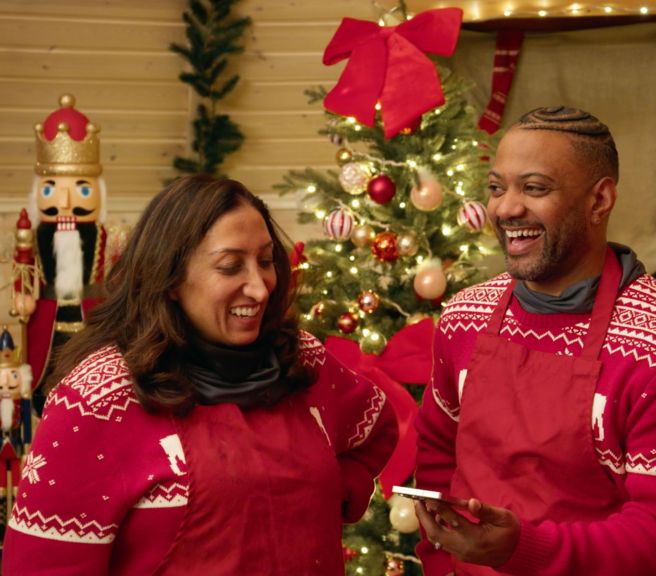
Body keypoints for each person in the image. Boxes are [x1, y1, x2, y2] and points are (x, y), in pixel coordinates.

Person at [2, 175, 398, 574]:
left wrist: (330, 492)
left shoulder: (302, 361)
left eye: (265, 261)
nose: (260, 289)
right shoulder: (100, 398)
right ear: (170, 278)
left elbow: (376, 429)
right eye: (230, 267)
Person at [414, 106, 656, 575]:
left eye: (534, 188)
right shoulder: (463, 317)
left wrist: (523, 549)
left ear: (600, 200)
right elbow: (435, 452)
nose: (507, 208)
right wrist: (439, 561)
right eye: (496, 188)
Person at [14, 94, 113, 413]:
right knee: (47, 379)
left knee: (89, 377)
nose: (66, 201)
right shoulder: (34, 236)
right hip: (46, 321)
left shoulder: (107, 237)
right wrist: (22, 297)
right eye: (52, 188)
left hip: (92, 319)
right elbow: (23, 273)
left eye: (82, 188)